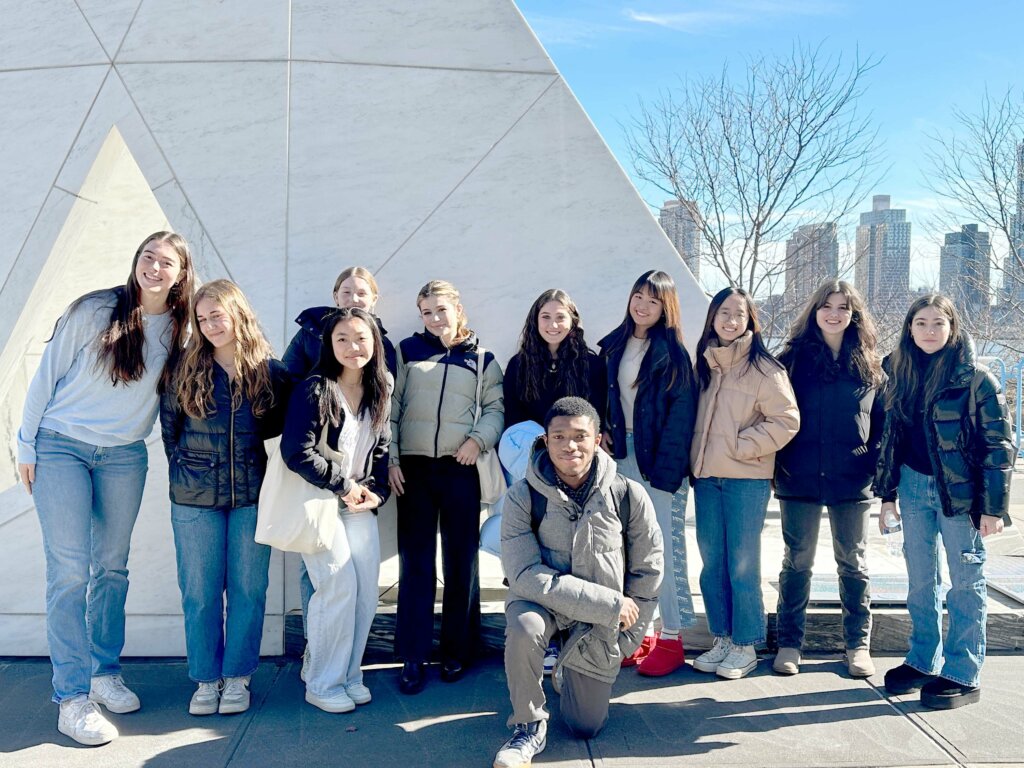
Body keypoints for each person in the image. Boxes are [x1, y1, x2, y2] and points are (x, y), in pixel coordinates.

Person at [17, 231, 194, 745]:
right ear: (135, 261)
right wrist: (26, 447)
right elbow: (45, 378)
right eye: (148, 258)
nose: (155, 269)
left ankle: (104, 673)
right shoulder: (95, 311)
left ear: (181, 273)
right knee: (70, 571)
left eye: (167, 263)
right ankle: (71, 698)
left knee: (111, 568)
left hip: (124, 455)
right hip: (61, 447)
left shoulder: (181, 330)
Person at [494, 396, 663, 768]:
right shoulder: (523, 496)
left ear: (598, 439)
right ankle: (528, 726)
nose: (570, 445)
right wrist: (609, 605)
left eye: (579, 436)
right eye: (559, 437)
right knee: (524, 627)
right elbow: (523, 574)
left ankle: (567, 671)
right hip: (542, 603)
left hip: (600, 624)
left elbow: (647, 572)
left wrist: (626, 637)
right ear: (546, 440)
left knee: (584, 726)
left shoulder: (626, 494)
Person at [874, 294, 1013, 709]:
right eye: (920, 323)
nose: (929, 331)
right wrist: (887, 496)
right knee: (921, 581)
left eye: (938, 323)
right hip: (914, 487)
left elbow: (998, 445)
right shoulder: (898, 373)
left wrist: (992, 507)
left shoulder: (977, 379)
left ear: (953, 327)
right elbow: (890, 441)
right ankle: (922, 660)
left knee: (965, 581)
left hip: (962, 495)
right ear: (909, 328)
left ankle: (963, 671)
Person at [160, 279, 290, 716]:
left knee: (249, 590)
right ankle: (205, 679)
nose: (210, 324)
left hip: (253, 497)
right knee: (199, 592)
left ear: (238, 314)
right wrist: (186, 469)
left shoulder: (270, 372)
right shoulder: (186, 368)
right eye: (202, 318)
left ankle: (237, 677)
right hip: (194, 500)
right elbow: (169, 430)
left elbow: (284, 438)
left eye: (217, 315)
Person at [388, 279, 504, 694]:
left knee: (462, 562)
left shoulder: (483, 357)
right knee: (416, 564)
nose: (435, 318)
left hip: (461, 469)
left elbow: (495, 409)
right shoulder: (407, 351)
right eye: (426, 312)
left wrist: (478, 441)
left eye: (441, 309)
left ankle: (458, 651)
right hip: (414, 471)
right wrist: (393, 459)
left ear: (459, 309)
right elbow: (392, 408)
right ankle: (413, 655)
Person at [281, 264, 395, 679]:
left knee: (366, 594)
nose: (352, 347)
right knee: (337, 589)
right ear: (330, 344)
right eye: (342, 339)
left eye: (361, 339)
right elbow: (297, 451)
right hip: (322, 501)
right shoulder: (315, 388)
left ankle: (349, 674)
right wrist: (343, 484)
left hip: (360, 504)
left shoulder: (380, 389)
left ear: (375, 344)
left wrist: (377, 493)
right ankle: (322, 681)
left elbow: (380, 450)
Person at [772, 280, 885, 678]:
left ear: (854, 315)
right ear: (814, 311)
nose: (834, 314)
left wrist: (873, 468)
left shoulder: (870, 365)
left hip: (851, 480)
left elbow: (882, 425)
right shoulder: (791, 360)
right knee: (797, 561)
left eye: (843, 307)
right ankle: (789, 642)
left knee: (852, 562)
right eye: (826, 306)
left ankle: (857, 645)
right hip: (799, 475)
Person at [690, 287, 799, 680]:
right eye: (723, 313)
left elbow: (787, 421)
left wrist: (741, 446)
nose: (731, 320)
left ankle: (746, 643)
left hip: (745, 481)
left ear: (750, 320)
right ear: (712, 318)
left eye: (739, 314)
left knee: (742, 564)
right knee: (711, 563)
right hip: (706, 478)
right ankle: (722, 638)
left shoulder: (765, 369)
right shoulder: (705, 364)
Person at [598, 269, 698, 677]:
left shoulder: (674, 355)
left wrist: (669, 476)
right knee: (628, 552)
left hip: (659, 461)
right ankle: (641, 635)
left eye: (653, 300)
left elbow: (681, 420)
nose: (642, 305)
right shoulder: (612, 346)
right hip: (620, 457)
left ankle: (673, 638)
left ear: (665, 307)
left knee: (665, 551)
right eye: (638, 295)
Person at [503, 288, 606, 428]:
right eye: (546, 317)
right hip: (532, 446)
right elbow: (513, 417)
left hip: (577, 445)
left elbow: (596, 416)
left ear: (572, 321)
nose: (553, 325)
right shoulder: (518, 365)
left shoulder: (592, 365)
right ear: (536, 320)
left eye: (560, 317)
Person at [282, 265, 397, 378]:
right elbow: (288, 376)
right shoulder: (311, 332)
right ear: (336, 297)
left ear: (373, 299)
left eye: (361, 294)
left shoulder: (382, 343)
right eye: (346, 292)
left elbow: (386, 385)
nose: (354, 299)